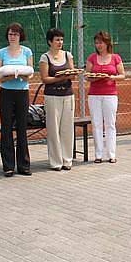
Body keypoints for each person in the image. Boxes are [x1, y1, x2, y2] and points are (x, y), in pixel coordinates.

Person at [0, 23, 33, 177]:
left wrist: (21, 75)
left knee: (22, 128)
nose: (13, 37)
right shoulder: (1, 53)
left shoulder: (27, 52)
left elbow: (30, 73)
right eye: (10, 34)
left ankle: (23, 165)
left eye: (15, 34)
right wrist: (11, 76)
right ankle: (8, 166)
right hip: (6, 93)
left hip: (22, 93)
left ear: (20, 36)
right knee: (6, 129)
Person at [39, 28, 77, 171]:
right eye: (57, 40)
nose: (60, 42)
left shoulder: (68, 55)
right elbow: (45, 79)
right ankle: (56, 162)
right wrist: (60, 77)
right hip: (52, 97)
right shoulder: (45, 57)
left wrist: (67, 75)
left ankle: (67, 160)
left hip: (68, 95)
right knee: (53, 130)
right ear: (50, 41)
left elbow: (72, 74)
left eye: (61, 39)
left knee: (67, 129)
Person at [85, 30, 125, 163]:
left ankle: (111, 154)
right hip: (94, 95)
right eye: (96, 43)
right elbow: (87, 76)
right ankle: (98, 154)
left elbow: (122, 75)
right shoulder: (91, 58)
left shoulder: (115, 58)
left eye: (101, 42)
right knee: (96, 124)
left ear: (107, 43)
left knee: (110, 124)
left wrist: (112, 77)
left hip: (110, 95)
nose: (99, 45)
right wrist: (95, 78)